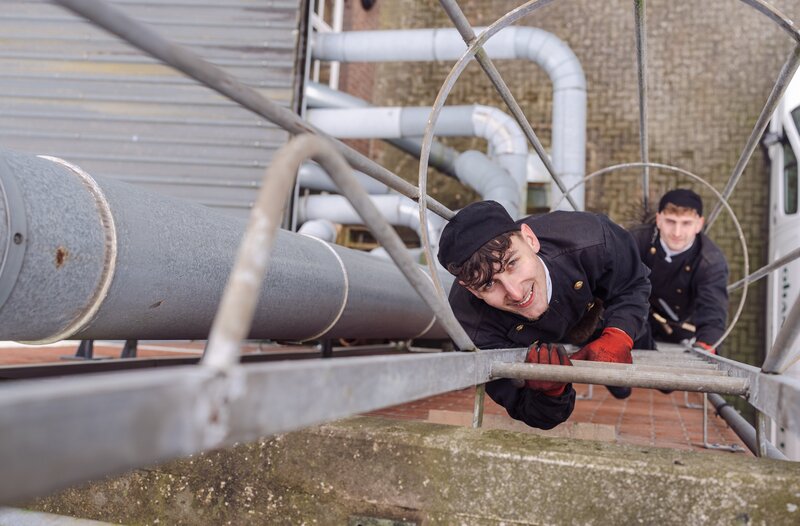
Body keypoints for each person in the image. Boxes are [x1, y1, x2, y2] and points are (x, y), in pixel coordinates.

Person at [437, 200, 651, 430]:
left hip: (592, 311)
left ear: (530, 239)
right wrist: (550, 393)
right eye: (488, 284)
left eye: (512, 263)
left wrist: (619, 334)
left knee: (630, 356)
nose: (516, 293)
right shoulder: (468, 327)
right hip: (535, 341)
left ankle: (623, 380)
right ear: (471, 290)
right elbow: (525, 407)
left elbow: (632, 283)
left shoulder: (592, 237)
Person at [630, 189, 729, 353]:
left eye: (686, 223)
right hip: (634, 316)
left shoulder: (710, 261)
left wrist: (706, 345)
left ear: (699, 224)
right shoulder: (635, 241)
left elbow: (713, 309)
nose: (677, 232)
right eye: (670, 221)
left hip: (678, 327)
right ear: (658, 220)